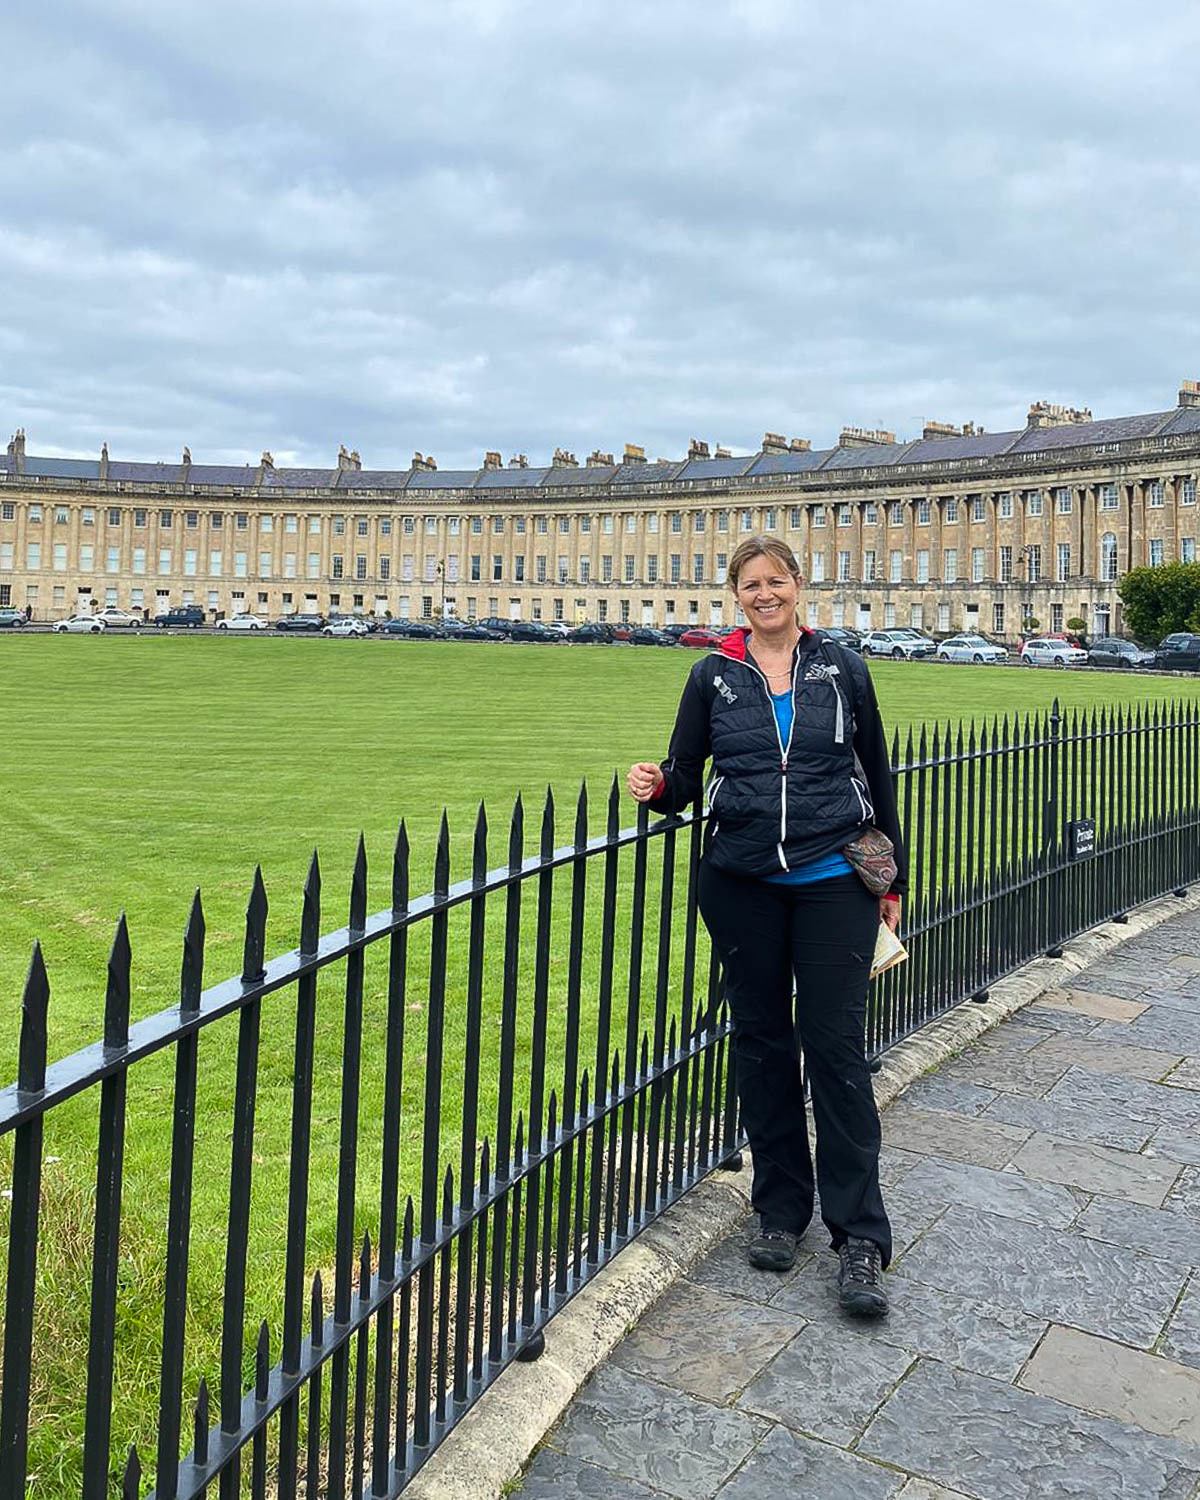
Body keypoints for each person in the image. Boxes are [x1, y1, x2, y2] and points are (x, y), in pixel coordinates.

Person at [627, 536, 907, 1317]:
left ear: (799, 586)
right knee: (761, 1044)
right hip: (743, 881)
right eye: (751, 585)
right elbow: (687, 777)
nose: (764, 595)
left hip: (832, 882)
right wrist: (658, 787)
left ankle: (859, 1236)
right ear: (736, 595)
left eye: (775, 581)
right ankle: (780, 1210)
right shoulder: (712, 675)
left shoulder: (842, 669)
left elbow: (876, 774)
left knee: (837, 1052)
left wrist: (892, 881)